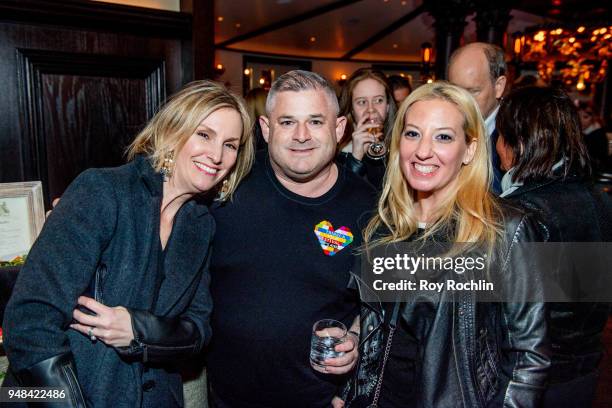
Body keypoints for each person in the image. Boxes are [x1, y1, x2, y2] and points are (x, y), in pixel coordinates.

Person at [2, 80, 254, 408]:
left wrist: (138, 331)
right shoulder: (103, 191)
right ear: (173, 130)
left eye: (231, 145)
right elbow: (29, 320)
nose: (217, 155)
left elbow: (199, 330)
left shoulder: (201, 225)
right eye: (204, 134)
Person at [343, 82, 551, 407]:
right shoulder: (384, 225)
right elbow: (378, 327)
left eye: (443, 136)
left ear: (469, 149)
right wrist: (352, 387)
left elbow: (528, 358)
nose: (423, 150)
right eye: (412, 134)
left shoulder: (505, 230)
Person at [206, 70, 377, 407]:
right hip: (227, 399)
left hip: (320, 400)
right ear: (267, 129)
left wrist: (356, 336)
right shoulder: (226, 190)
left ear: (339, 129)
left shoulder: (370, 208)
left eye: (315, 121)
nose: (301, 135)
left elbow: (379, 305)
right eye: (287, 122)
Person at [496, 86, 612, 408]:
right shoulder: (600, 201)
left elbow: (507, 315)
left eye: (500, 135)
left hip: (529, 380)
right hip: (585, 370)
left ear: (517, 142)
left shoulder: (520, 214)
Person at [448, 42, 507, 194]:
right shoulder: (437, 128)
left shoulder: (517, 137)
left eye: (472, 91)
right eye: (454, 91)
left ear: (498, 86)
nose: (461, 101)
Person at [337, 68, 397, 189]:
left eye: (378, 100)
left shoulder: (402, 146)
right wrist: (355, 159)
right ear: (352, 110)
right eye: (362, 102)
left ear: (387, 106)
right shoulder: (336, 151)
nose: (371, 109)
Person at [577, 101, 610, 172]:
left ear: (594, 118)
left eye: (585, 117)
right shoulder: (579, 133)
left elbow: (599, 161)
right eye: (578, 116)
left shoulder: (598, 134)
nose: (581, 120)